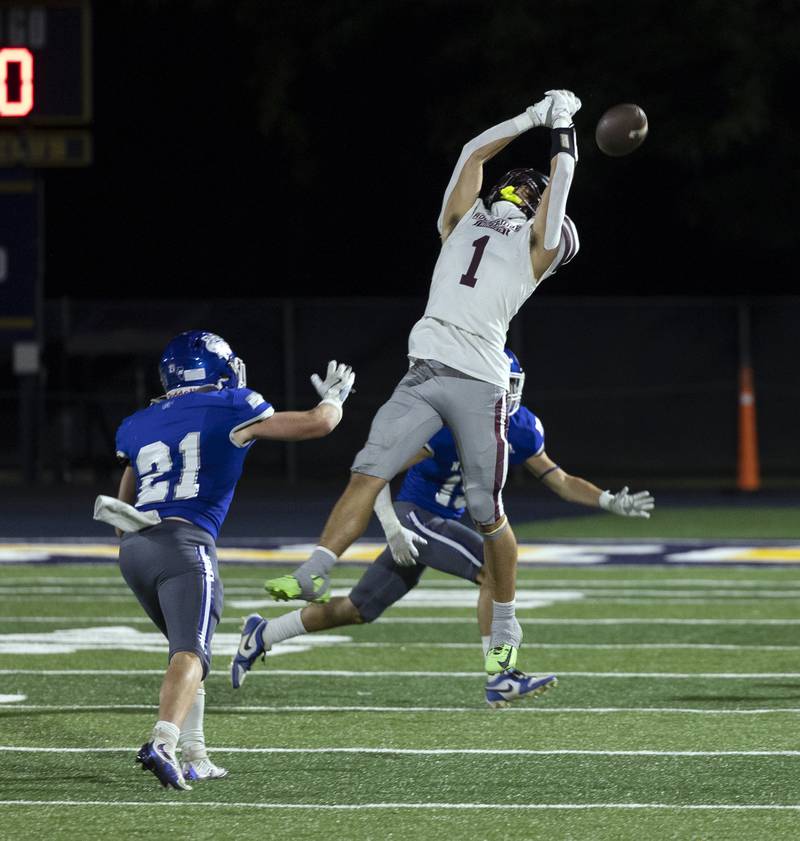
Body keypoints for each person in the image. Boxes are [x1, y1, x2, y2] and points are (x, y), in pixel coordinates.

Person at [263, 89, 583, 685]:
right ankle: (315, 567)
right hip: (424, 368)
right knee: (369, 470)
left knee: (489, 515)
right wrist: (541, 120)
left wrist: (554, 124)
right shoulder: (464, 223)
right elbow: (475, 154)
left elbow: (553, 172)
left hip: (478, 380)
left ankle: (505, 633)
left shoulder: (531, 245)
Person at [235, 350, 654, 706]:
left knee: (360, 609)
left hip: (443, 522)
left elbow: (559, 479)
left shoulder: (522, 426)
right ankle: (501, 675)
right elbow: (374, 474)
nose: (505, 393)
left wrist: (606, 499)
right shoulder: (446, 422)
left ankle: (264, 632)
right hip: (417, 514)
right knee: (495, 570)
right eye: (497, 382)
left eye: (510, 383)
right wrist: (393, 527)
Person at [93, 331, 355, 790]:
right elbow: (318, 424)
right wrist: (334, 399)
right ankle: (164, 741)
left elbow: (121, 517)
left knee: (188, 649)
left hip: (135, 550)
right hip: (186, 543)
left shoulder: (137, 423)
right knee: (191, 651)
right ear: (217, 370)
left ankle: (195, 754)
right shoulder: (234, 405)